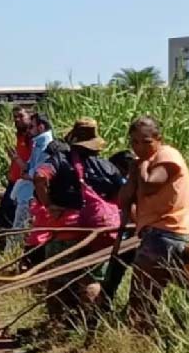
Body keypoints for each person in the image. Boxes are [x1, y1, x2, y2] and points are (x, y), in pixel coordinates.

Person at [30, 118, 122, 318]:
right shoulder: (107, 167)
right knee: (92, 279)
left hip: (66, 228)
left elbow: (39, 176)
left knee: (58, 279)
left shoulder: (60, 160)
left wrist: (49, 205)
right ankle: (91, 327)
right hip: (99, 231)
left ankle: (58, 327)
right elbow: (123, 193)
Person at [121, 116, 189, 329]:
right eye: (134, 142)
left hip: (167, 233)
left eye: (146, 142)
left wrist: (141, 166)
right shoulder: (144, 162)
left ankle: (142, 339)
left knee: (144, 294)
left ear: (158, 139)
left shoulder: (166, 156)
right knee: (140, 293)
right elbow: (125, 197)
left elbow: (150, 185)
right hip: (154, 233)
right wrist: (134, 173)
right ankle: (140, 338)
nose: (139, 147)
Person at [0, 107, 34, 234]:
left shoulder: (33, 138)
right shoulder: (20, 136)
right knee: (1, 219)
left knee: (7, 219)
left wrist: (16, 159)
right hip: (14, 182)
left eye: (21, 116)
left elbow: (33, 164)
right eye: (15, 117)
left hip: (24, 184)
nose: (17, 119)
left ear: (30, 116)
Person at [11, 114, 54, 236]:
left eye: (31, 127)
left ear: (40, 127)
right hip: (28, 194)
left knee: (19, 232)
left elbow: (38, 173)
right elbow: (28, 167)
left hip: (32, 196)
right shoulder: (38, 144)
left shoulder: (46, 146)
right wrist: (16, 159)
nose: (28, 130)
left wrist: (27, 175)